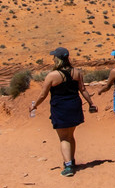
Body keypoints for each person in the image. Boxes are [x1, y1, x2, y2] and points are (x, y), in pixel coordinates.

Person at [29, 47, 96, 177]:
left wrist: (34, 106)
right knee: (71, 135)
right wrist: (91, 103)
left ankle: (68, 165)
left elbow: (43, 95)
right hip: (74, 106)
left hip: (60, 108)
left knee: (64, 138)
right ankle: (72, 160)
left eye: (54, 57)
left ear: (58, 59)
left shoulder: (52, 76)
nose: (53, 59)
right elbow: (83, 90)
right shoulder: (77, 73)